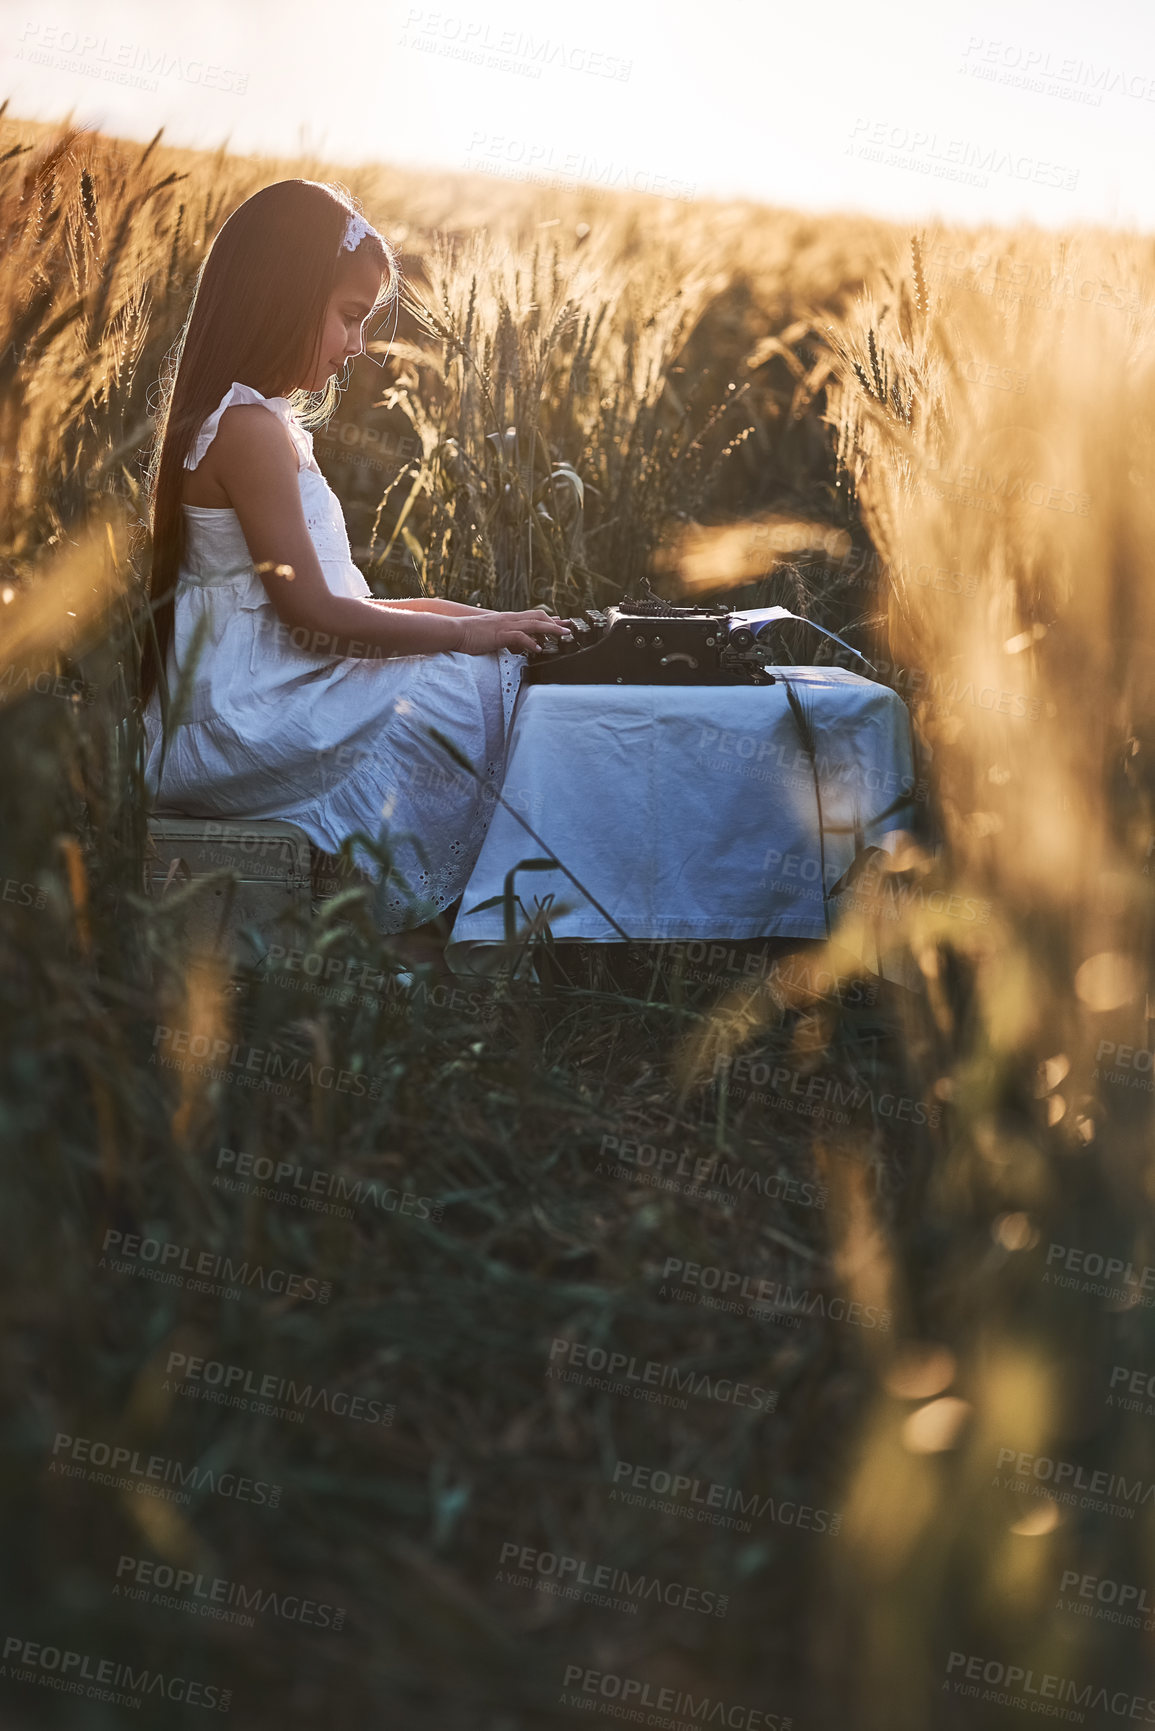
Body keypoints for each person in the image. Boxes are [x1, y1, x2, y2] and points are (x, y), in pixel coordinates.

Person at [140, 178, 569, 946]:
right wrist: (468, 639)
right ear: (281, 297)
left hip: (268, 688)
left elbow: (332, 601)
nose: (358, 345)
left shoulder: (261, 423)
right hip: (240, 717)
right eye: (347, 317)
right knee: (462, 684)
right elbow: (312, 617)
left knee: (485, 663)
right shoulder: (245, 429)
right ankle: (478, 925)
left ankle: (474, 915)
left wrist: (482, 620)